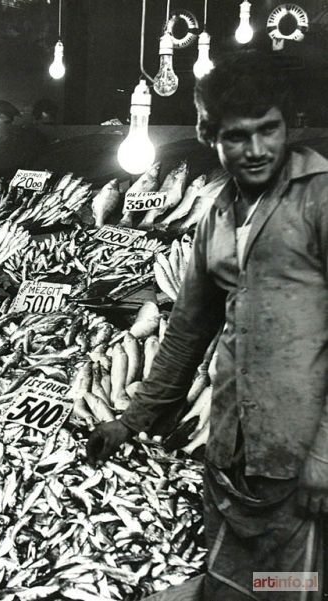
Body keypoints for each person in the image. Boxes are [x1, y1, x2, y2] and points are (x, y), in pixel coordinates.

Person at [87, 50, 328, 601]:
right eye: (237, 137)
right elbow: (187, 331)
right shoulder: (217, 214)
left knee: (293, 587)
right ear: (208, 133)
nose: (257, 150)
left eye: (269, 130)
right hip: (231, 448)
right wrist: (133, 419)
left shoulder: (319, 197)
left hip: (301, 456)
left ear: (288, 125)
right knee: (231, 583)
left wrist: (323, 456)